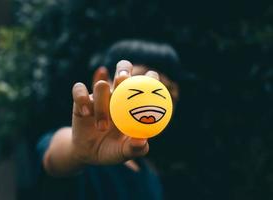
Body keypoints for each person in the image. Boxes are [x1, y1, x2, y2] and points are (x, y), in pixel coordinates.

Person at [36, 40, 187, 200]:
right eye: (139, 86)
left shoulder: (151, 177)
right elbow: (56, 157)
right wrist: (78, 150)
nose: (150, 101)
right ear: (100, 79)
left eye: (166, 92)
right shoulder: (77, 145)